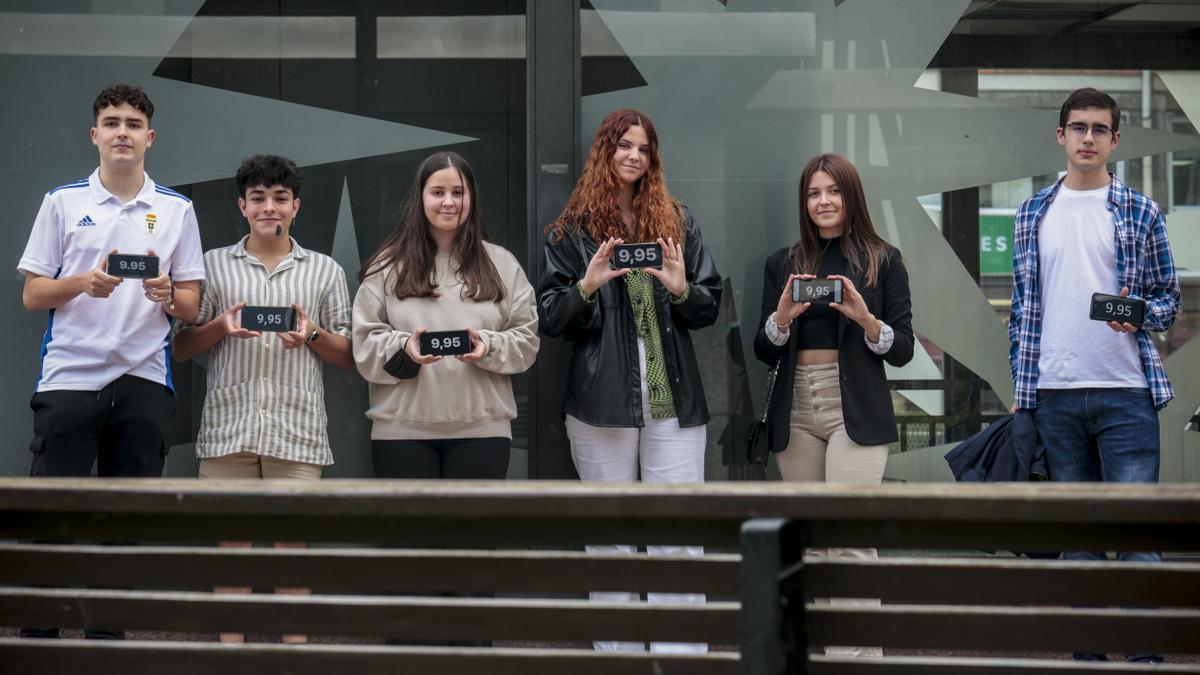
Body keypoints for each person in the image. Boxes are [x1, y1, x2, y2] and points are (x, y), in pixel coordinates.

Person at [16, 83, 205, 640]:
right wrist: (83, 283)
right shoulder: (62, 202)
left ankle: (110, 636)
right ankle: (41, 634)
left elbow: (191, 306)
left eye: (132, 123)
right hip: (71, 377)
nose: (122, 131)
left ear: (150, 137)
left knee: (126, 520)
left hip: (144, 378)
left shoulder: (176, 209)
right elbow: (32, 295)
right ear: (94, 134)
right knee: (53, 516)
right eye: (111, 122)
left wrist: (167, 293)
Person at [537, 108, 722, 654]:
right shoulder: (571, 231)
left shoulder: (678, 222)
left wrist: (682, 287)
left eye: (643, 148)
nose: (633, 156)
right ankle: (617, 659)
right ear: (605, 152)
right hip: (600, 403)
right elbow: (551, 317)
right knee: (610, 541)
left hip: (673, 402)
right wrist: (587, 287)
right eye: (623, 146)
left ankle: (679, 657)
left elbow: (708, 306)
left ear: (653, 158)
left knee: (678, 537)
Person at [1009, 87, 1179, 665]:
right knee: (1077, 540)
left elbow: (1167, 301)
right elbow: (1023, 311)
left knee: (1135, 535)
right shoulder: (1032, 212)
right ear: (1061, 136)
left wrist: (1137, 313)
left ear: (1115, 139)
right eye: (1077, 127)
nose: (1087, 137)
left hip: (1125, 391)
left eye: (1098, 129)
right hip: (1054, 392)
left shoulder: (1140, 210)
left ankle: (1144, 657)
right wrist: (1022, 393)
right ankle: (1088, 656)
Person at [172, 155, 353, 644]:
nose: (269, 207)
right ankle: (232, 653)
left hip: (296, 428)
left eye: (279, 198)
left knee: (292, 547)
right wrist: (219, 327)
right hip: (229, 427)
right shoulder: (211, 265)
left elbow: (349, 355)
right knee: (232, 547)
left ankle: (294, 653)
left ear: (296, 207)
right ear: (242, 206)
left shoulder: (325, 271)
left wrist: (312, 334)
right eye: (258, 198)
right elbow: (182, 347)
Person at [754, 153, 913, 658]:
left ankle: (852, 660)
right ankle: (833, 657)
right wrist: (780, 317)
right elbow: (764, 349)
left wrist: (867, 320)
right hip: (795, 407)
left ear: (851, 197)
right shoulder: (783, 262)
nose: (823, 202)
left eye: (833, 191)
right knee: (810, 544)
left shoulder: (883, 259)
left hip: (855, 408)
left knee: (848, 538)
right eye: (813, 193)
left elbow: (904, 349)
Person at [353, 151, 538, 480]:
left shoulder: (503, 264)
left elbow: (526, 340)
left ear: (472, 198)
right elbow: (364, 344)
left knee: (470, 534)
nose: (448, 202)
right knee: (410, 535)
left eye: (458, 192)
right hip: (401, 432)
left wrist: (489, 346)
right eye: (438, 192)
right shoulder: (386, 266)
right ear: (420, 197)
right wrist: (406, 348)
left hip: (484, 431)